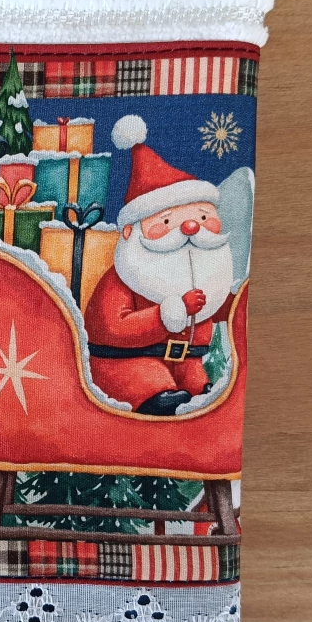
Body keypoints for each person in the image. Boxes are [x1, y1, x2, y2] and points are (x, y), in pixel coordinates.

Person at [84, 116, 233, 414]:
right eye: (166, 222)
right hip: (129, 363)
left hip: (189, 362)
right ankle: (157, 397)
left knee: (200, 391)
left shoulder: (209, 267)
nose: (190, 227)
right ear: (131, 233)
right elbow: (110, 327)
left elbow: (220, 311)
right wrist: (167, 314)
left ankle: (194, 393)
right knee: (150, 385)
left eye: (203, 216)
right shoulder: (124, 277)